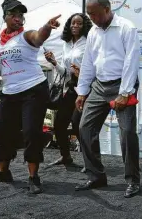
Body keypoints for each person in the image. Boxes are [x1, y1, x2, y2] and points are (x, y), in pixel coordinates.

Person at [0, 0, 61, 194]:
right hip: (9, 92)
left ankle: (33, 177)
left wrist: (47, 27)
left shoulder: (26, 36)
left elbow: (39, 36)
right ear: (5, 17)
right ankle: (3, 172)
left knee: (32, 132)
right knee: (3, 132)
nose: (18, 18)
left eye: (21, 15)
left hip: (33, 89)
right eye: (13, 15)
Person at [74, 0, 141, 198]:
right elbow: (88, 63)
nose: (91, 18)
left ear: (107, 8)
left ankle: (133, 181)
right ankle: (96, 176)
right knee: (85, 128)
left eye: (94, 14)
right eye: (89, 15)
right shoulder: (93, 31)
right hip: (99, 86)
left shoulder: (126, 28)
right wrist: (82, 91)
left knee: (127, 132)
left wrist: (125, 92)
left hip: (122, 85)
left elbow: (132, 61)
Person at [44, 13, 92, 168]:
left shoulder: (89, 42)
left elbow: (95, 67)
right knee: (59, 124)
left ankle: (90, 161)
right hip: (71, 88)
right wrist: (53, 62)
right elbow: (65, 72)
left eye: (79, 23)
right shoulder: (66, 44)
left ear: (84, 25)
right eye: (73, 23)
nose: (75, 26)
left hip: (86, 88)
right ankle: (66, 157)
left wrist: (82, 74)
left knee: (79, 125)